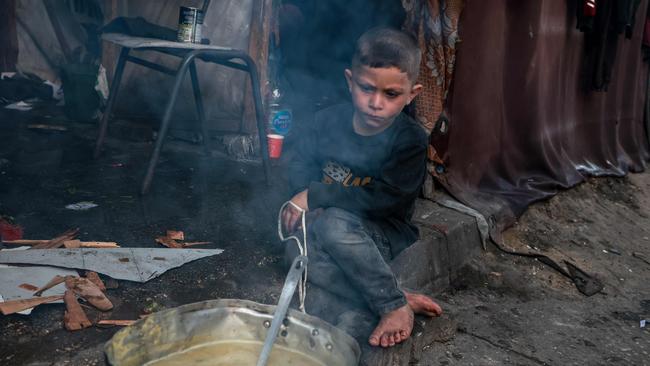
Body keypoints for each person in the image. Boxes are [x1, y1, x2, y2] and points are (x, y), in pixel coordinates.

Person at [282, 27, 443, 348]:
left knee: (335, 224)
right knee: (292, 250)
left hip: (380, 231)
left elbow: (386, 200)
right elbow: (300, 165)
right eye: (367, 89)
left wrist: (316, 196)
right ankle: (394, 294)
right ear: (349, 81)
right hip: (328, 223)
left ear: (412, 93)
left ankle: (392, 307)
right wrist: (304, 201)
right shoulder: (326, 122)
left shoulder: (409, 139)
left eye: (391, 94)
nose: (375, 103)